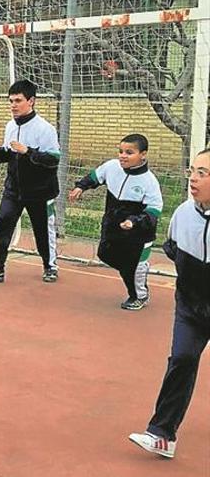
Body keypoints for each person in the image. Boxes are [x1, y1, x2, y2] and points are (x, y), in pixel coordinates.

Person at [128, 148, 210, 459]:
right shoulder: (182, 214)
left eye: (202, 172)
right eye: (192, 170)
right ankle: (162, 434)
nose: (193, 178)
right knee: (181, 360)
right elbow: (173, 248)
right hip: (190, 305)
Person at [0, 79, 61, 283]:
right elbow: (6, 154)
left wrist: (28, 151)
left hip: (40, 191)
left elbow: (54, 159)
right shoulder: (10, 126)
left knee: (42, 231)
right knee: (3, 223)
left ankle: (50, 266)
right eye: (11, 100)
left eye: (18, 100)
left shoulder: (44, 129)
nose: (13, 105)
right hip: (13, 189)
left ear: (31, 101)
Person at [69, 134, 163, 310]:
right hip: (113, 227)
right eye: (120, 151)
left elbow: (154, 211)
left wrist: (133, 222)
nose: (123, 156)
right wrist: (80, 187)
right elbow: (94, 178)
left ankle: (139, 295)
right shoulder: (111, 167)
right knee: (105, 253)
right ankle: (131, 271)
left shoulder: (150, 182)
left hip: (139, 234)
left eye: (129, 152)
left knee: (134, 267)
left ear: (143, 154)